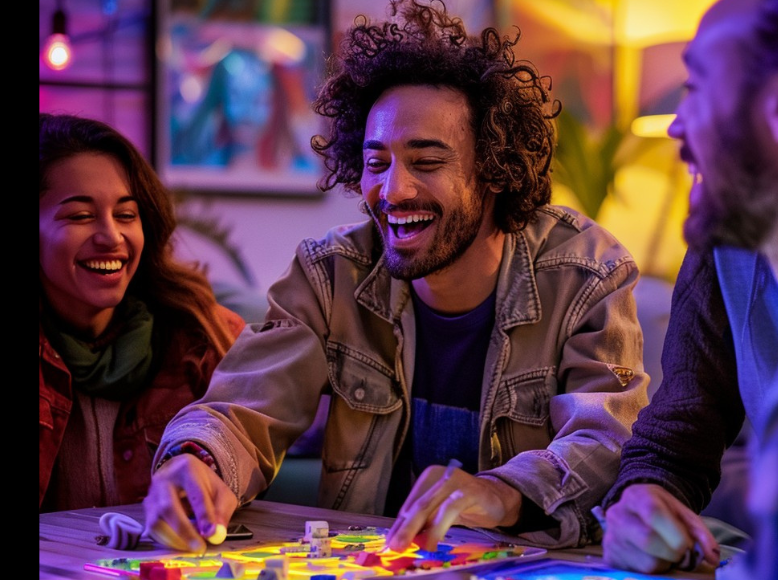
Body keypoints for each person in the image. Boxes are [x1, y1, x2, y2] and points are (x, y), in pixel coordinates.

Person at [142, 0, 650, 555]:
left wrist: (501, 493)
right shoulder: (328, 273)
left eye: (426, 162)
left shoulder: (585, 274)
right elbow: (243, 410)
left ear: (494, 168)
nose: (393, 191)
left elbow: (608, 440)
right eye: (377, 162)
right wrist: (198, 463)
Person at [596, 0, 778, 575]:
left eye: (696, 85)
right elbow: (673, 443)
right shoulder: (725, 243)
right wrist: (641, 500)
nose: (675, 124)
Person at [39, 112, 246, 513]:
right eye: (80, 216)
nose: (111, 236)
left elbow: (257, 436)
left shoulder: (199, 333)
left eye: (126, 214)